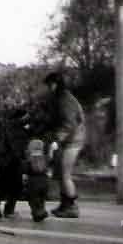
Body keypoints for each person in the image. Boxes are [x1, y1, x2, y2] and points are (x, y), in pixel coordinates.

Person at [43, 72, 87, 218]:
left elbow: (68, 124)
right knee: (61, 173)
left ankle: (72, 207)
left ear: (56, 84)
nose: (49, 88)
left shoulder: (65, 101)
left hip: (72, 141)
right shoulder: (60, 99)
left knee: (64, 173)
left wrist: (56, 140)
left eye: (50, 85)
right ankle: (65, 205)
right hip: (70, 139)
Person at [0, 109, 28, 218]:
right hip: (14, 160)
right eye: (25, 117)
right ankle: (9, 210)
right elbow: (19, 147)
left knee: (2, 184)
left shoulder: (5, 126)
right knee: (17, 186)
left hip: (3, 160)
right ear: (20, 117)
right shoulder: (19, 129)